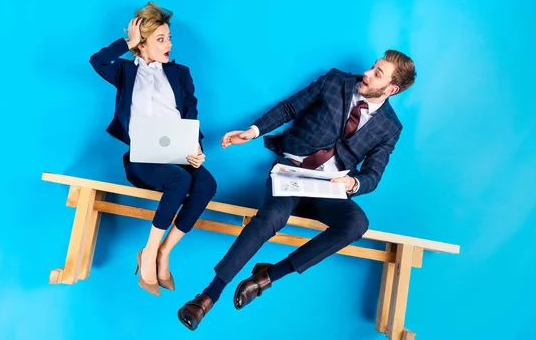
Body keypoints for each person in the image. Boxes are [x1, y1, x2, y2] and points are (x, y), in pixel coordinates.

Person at [177, 50, 416, 330]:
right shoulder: (336, 80)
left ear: (391, 89)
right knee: (271, 218)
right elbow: (290, 108)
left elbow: (373, 174)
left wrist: (353, 183)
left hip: (327, 188)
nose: (367, 73)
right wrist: (253, 132)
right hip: (290, 172)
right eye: (373, 67)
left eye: (378, 73)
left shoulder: (390, 127)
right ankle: (209, 294)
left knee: (357, 223)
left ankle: (268, 276)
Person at [89, 2, 216, 296]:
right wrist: (126, 43)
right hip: (142, 159)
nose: (169, 44)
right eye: (161, 39)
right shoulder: (123, 71)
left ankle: (162, 252)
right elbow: (97, 62)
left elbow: (190, 114)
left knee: (207, 184)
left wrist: (195, 146)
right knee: (179, 181)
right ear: (142, 44)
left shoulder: (180, 73)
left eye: (169, 38)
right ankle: (148, 253)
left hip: (178, 154)